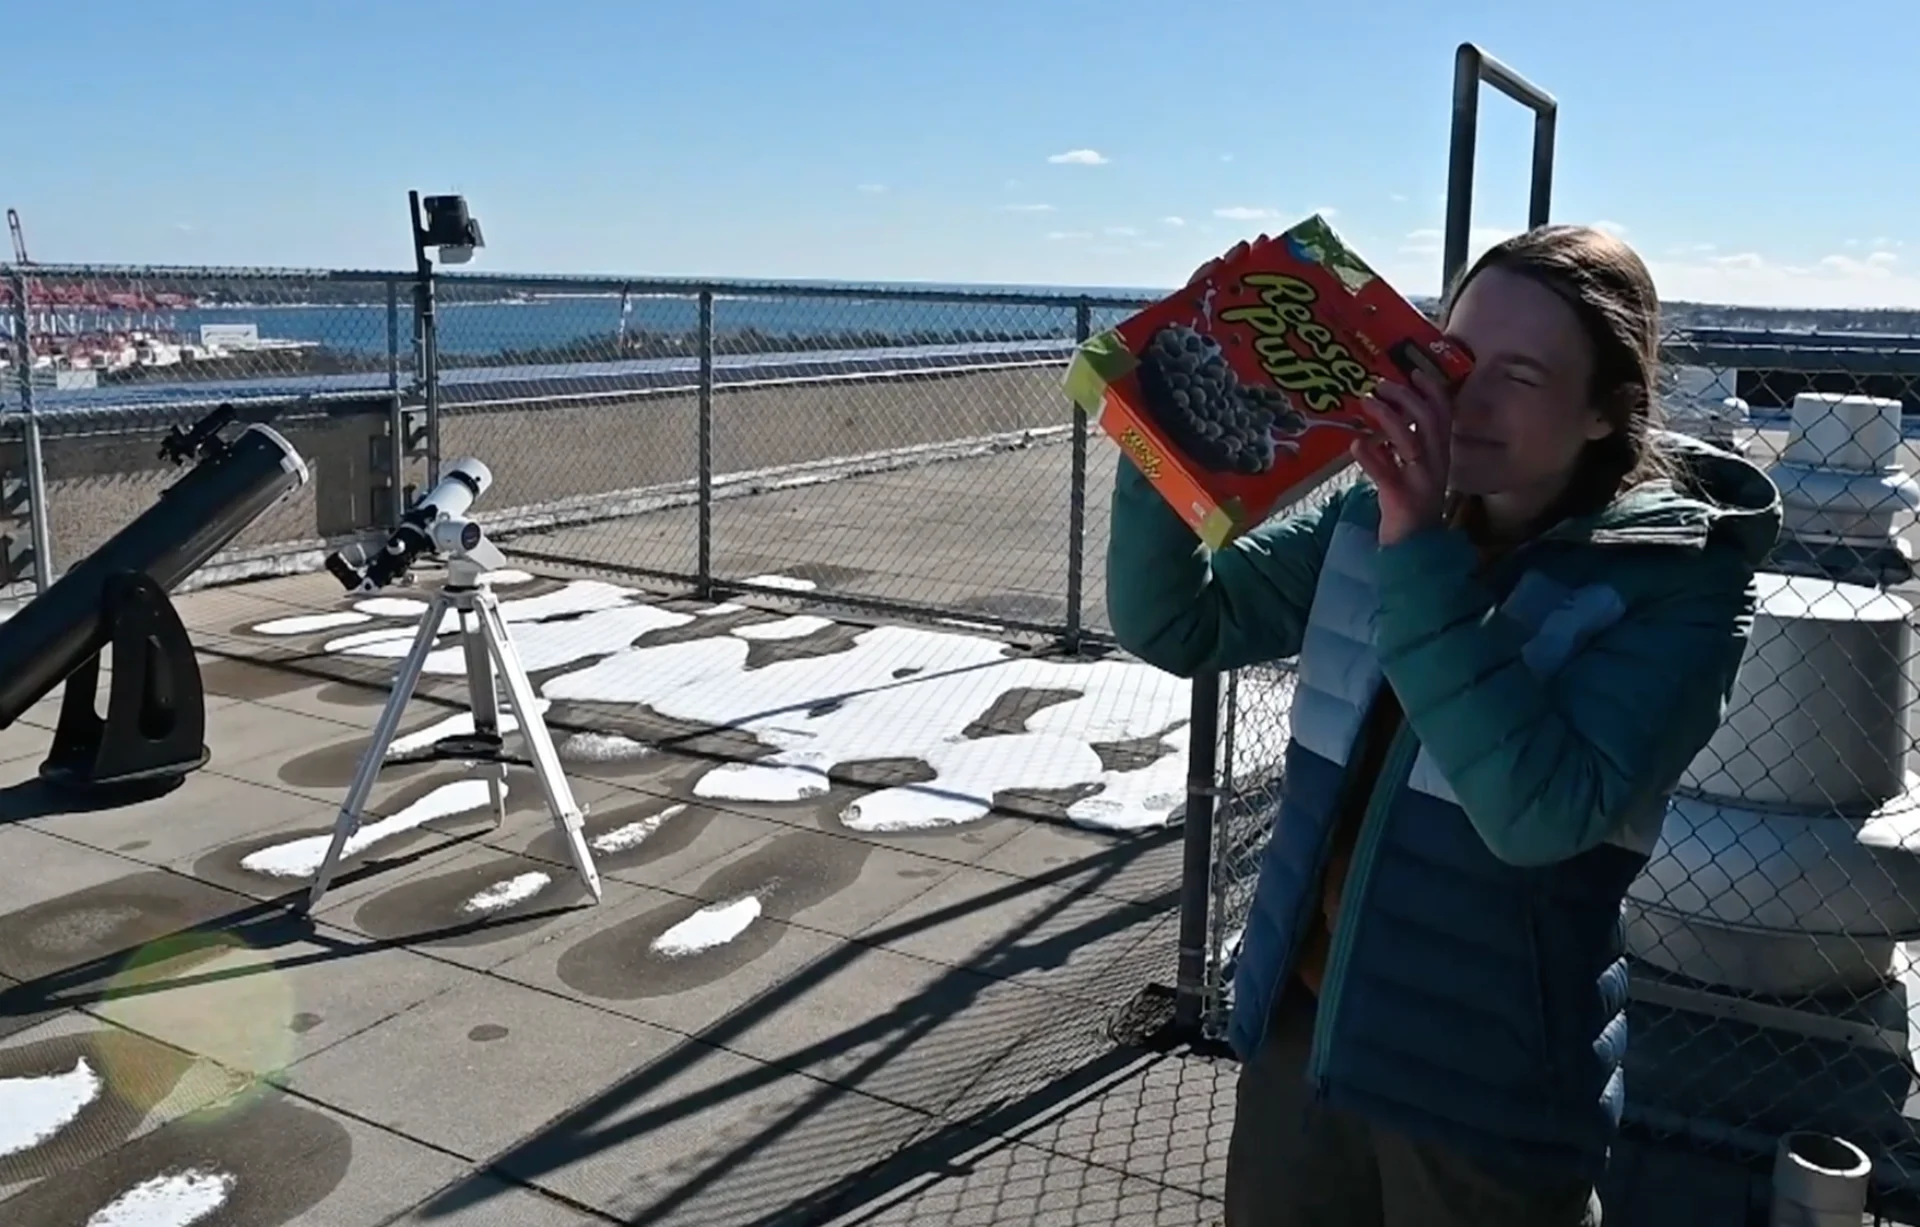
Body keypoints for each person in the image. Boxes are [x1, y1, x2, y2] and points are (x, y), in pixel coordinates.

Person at [1106, 224, 1782, 1227]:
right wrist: (1167, 432)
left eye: (1521, 374)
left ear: (1606, 413)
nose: (1469, 395)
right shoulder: (1370, 523)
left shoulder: (1676, 587)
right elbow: (1179, 619)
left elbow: (1539, 815)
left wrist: (1417, 543)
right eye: (1459, 353)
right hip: (1312, 1035)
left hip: (1486, 1090)